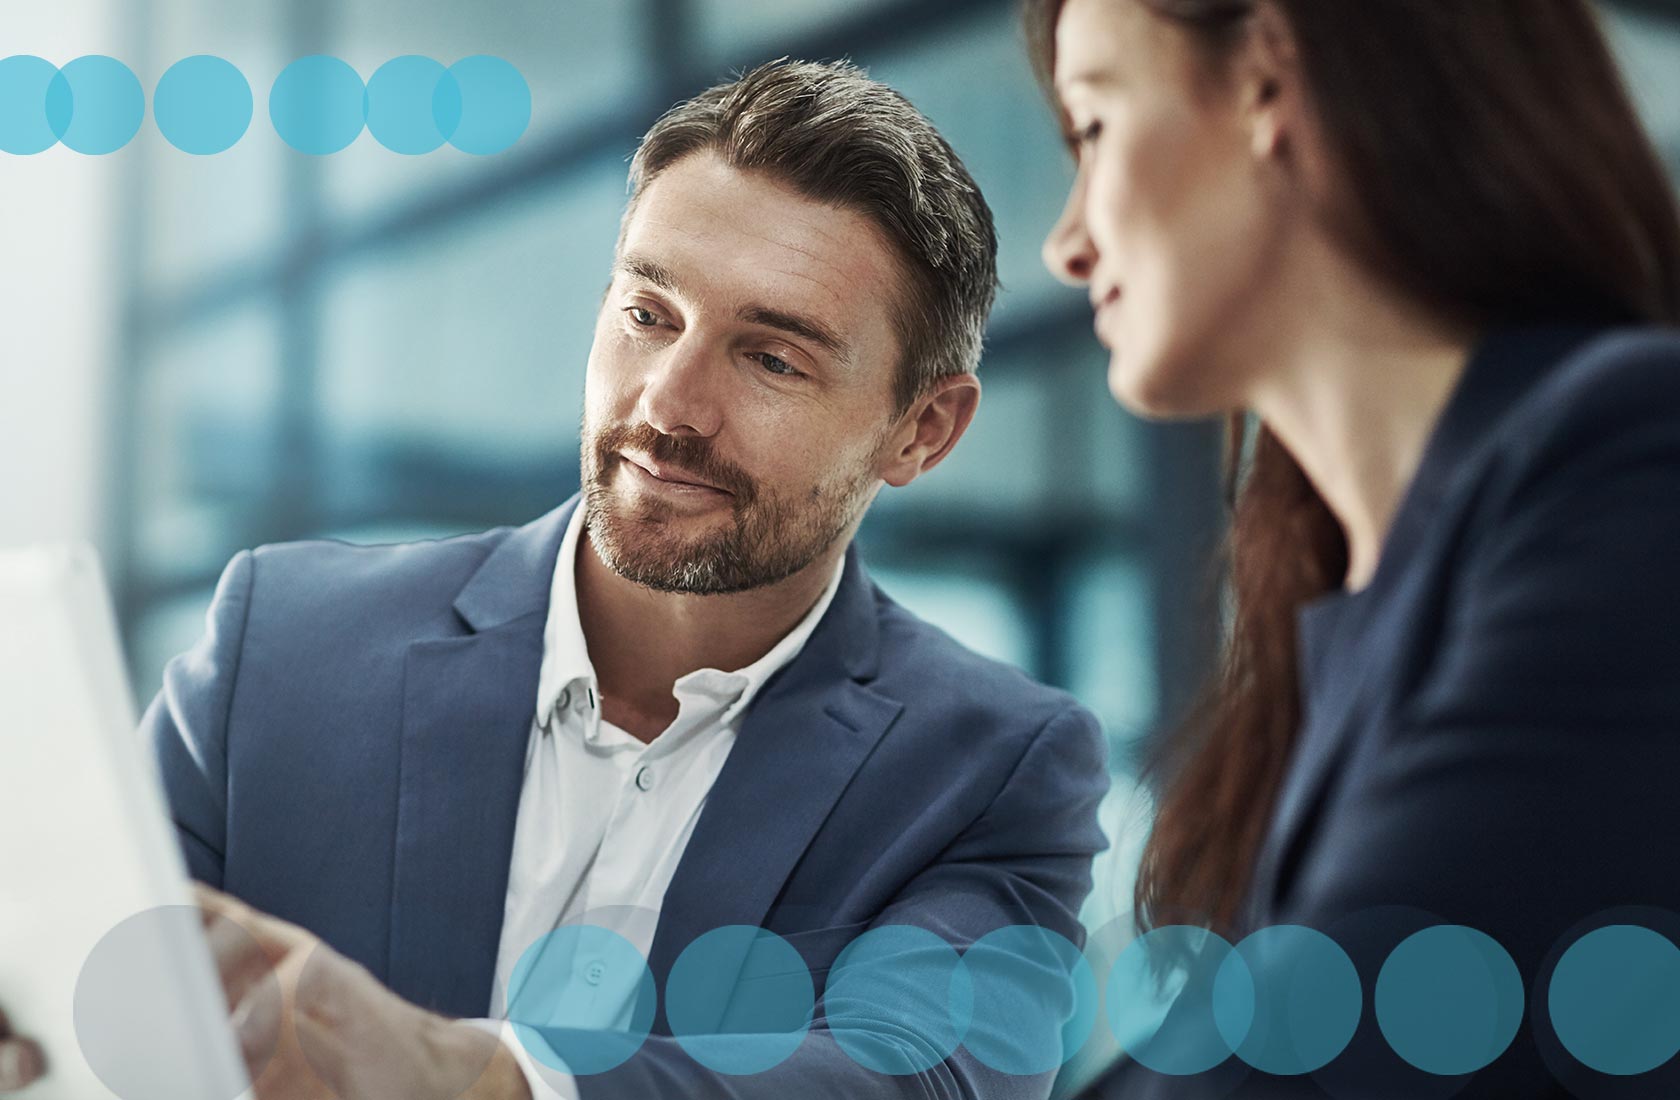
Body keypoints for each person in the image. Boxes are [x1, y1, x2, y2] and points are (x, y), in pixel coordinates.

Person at [0, 60, 1110, 1099]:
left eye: (771, 356)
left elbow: (912, 1076)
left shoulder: (991, 769)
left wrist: (466, 1074)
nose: (669, 405)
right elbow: (82, 982)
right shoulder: (279, 646)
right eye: (647, 314)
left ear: (922, 430)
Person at [1032, 0, 1680, 1096]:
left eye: (1095, 128)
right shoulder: (1325, 643)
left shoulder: (1632, 462)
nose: (1066, 243)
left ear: (1269, 78)